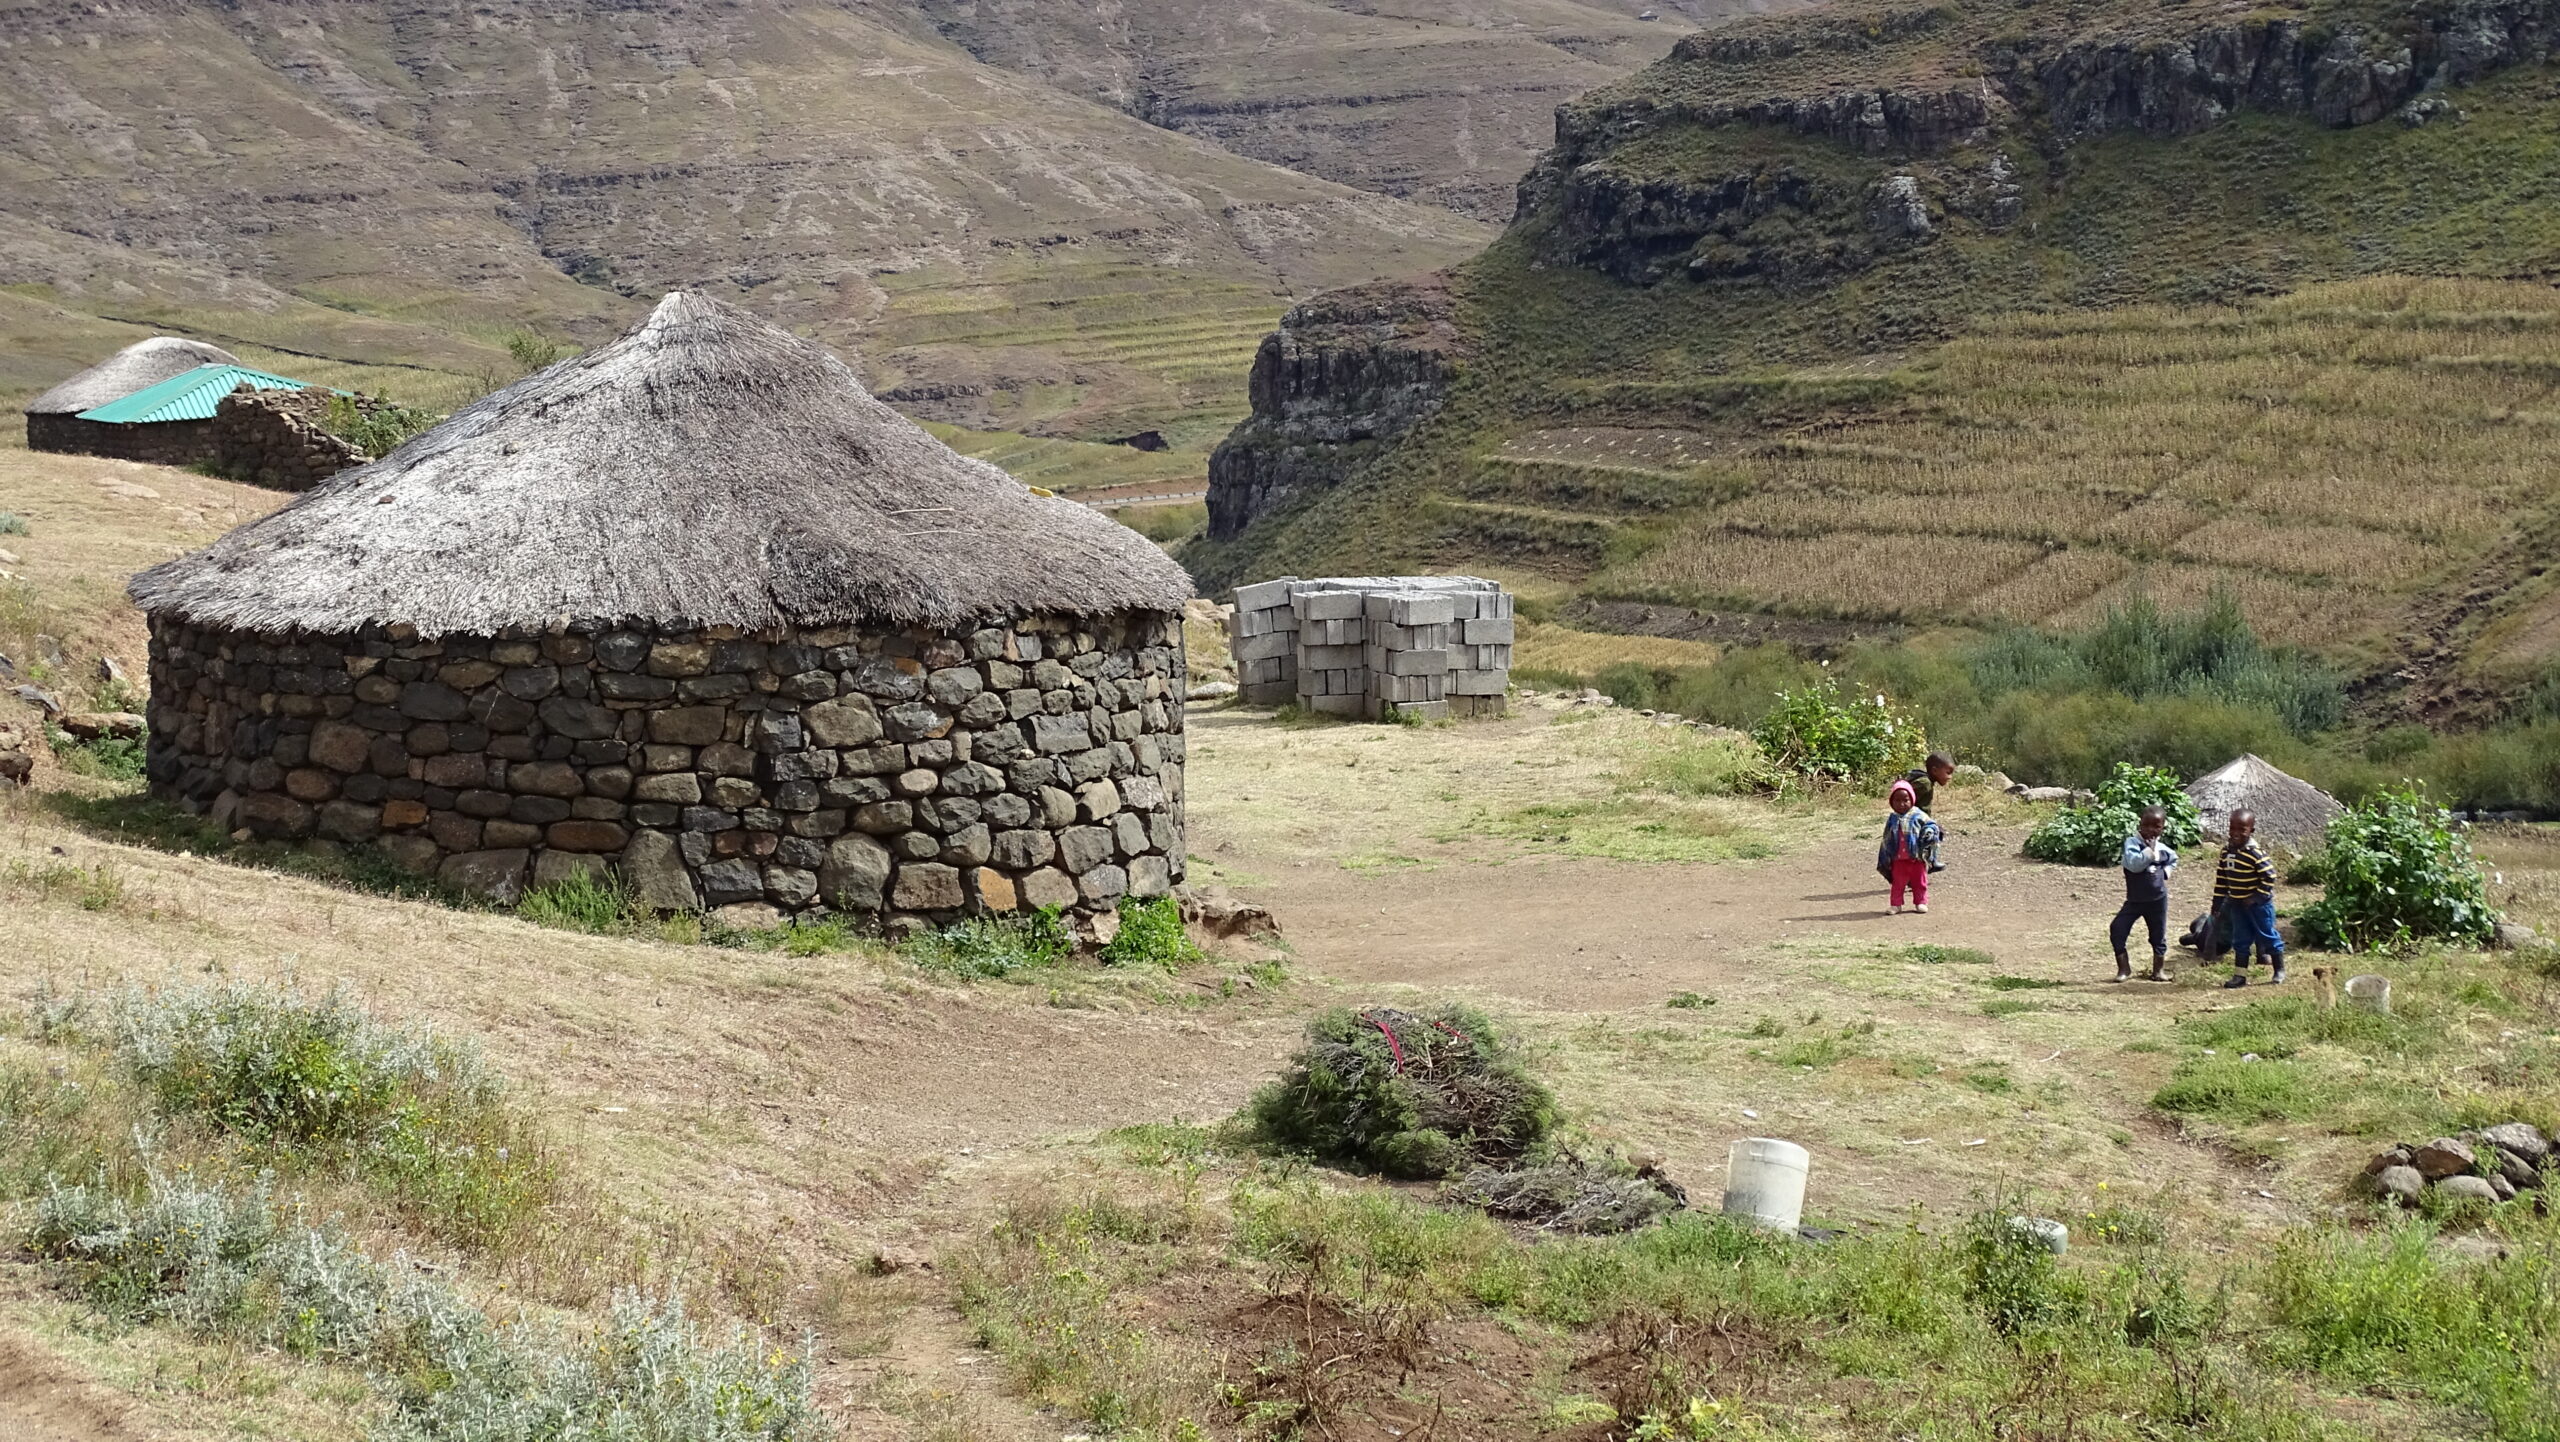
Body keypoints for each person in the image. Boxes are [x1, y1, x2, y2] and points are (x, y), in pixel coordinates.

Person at [2213, 808, 2284, 987]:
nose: (2236, 833)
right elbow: (2222, 879)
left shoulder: (2255, 853)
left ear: (2251, 831)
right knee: (2240, 938)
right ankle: (2240, 976)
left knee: (2267, 935)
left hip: (2258, 906)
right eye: (2232, 828)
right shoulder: (2226, 852)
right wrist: (2217, 903)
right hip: (2237, 903)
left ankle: (2279, 970)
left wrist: (2256, 897)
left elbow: (2270, 877)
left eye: (2241, 829)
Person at [2112, 805, 2176, 982]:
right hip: (2135, 900)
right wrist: (2150, 852)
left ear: (2163, 827)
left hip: (2157, 900)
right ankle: (2124, 969)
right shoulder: (2132, 844)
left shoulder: (2163, 848)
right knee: (2117, 928)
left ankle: (2158, 971)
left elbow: (2173, 859)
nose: (2150, 830)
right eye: (2146, 825)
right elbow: (2134, 864)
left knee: (2158, 935)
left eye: (2156, 826)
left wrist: (2165, 872)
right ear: (2140, 824)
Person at [1876, 778, 1940, 915]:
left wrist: (1928, 833)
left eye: (1906, 800)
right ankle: (1896, 905)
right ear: (1891, 802)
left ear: (1912, 800)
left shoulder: (1918, 815)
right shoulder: (1892, 818)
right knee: (1897, 884)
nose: (1901, 804)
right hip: (1898, 859)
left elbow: (1931, 825)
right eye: (1897, 801)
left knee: (1920, 882)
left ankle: (1921, 902)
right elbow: (1887, 838)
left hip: (1916, 857)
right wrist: (1887, 855)